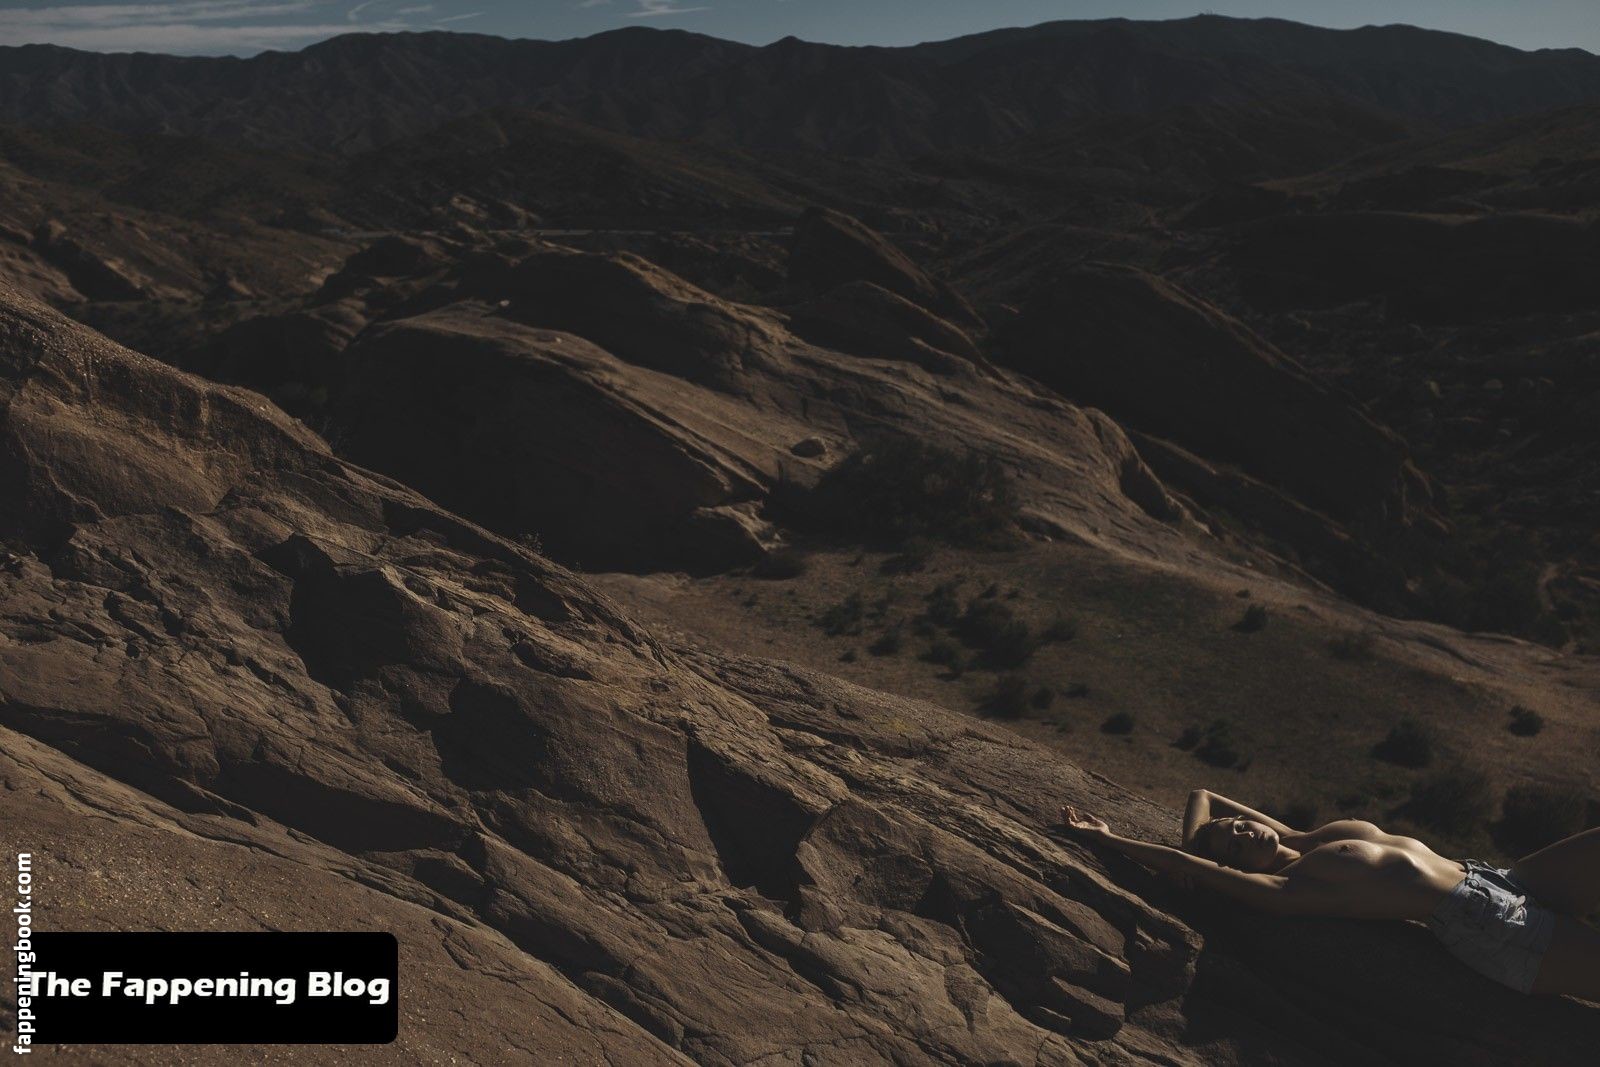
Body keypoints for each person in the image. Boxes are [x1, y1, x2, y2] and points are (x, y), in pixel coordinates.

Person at [1059, 788, 1600, 1001]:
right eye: (1236, 845)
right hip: (1497, 929)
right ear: (1232, 869)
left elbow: (1203, 794)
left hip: (1498, 878)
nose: (1247, 831)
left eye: (1240, 826)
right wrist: (1106, 838)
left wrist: (1200, 839)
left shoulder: (1304, 839)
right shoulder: (1289, 888)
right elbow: (1182, 864)